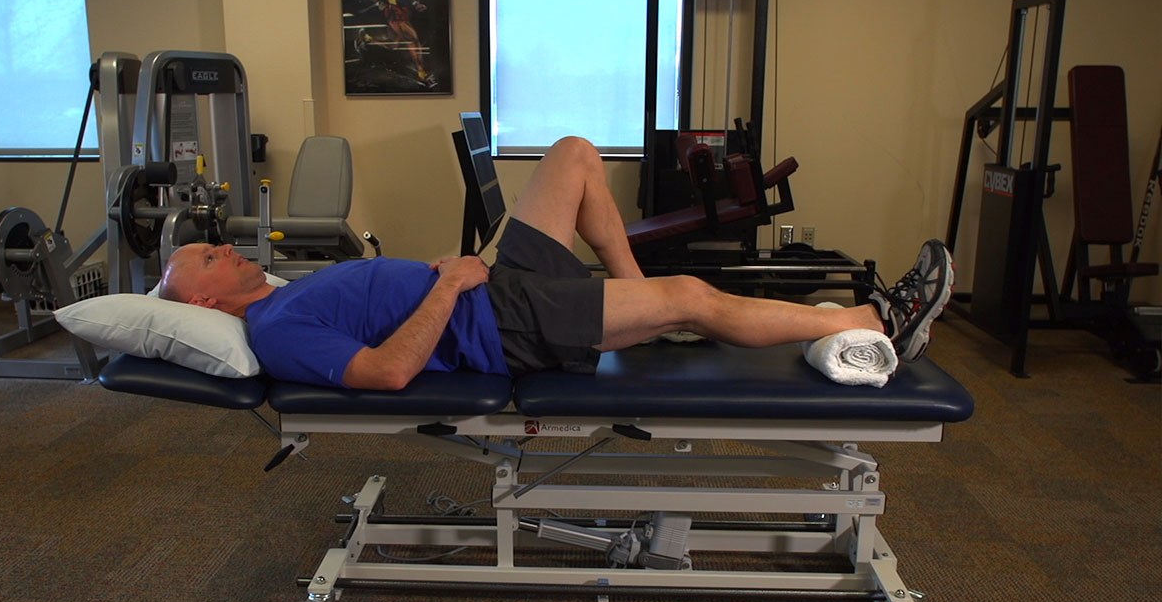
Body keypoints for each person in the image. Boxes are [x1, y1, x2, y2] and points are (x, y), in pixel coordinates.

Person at [159, 136, 953, 391]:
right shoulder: (276, 331)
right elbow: (387, 373)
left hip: (491, 290)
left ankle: (635, 314)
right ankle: (878, 319)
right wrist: (449, 286)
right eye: (207, 256)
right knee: (693, 294)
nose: (223, 245)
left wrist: (454, 277)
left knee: (573, 156)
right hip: (498, 324)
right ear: (202, 304)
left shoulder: (284, 290)